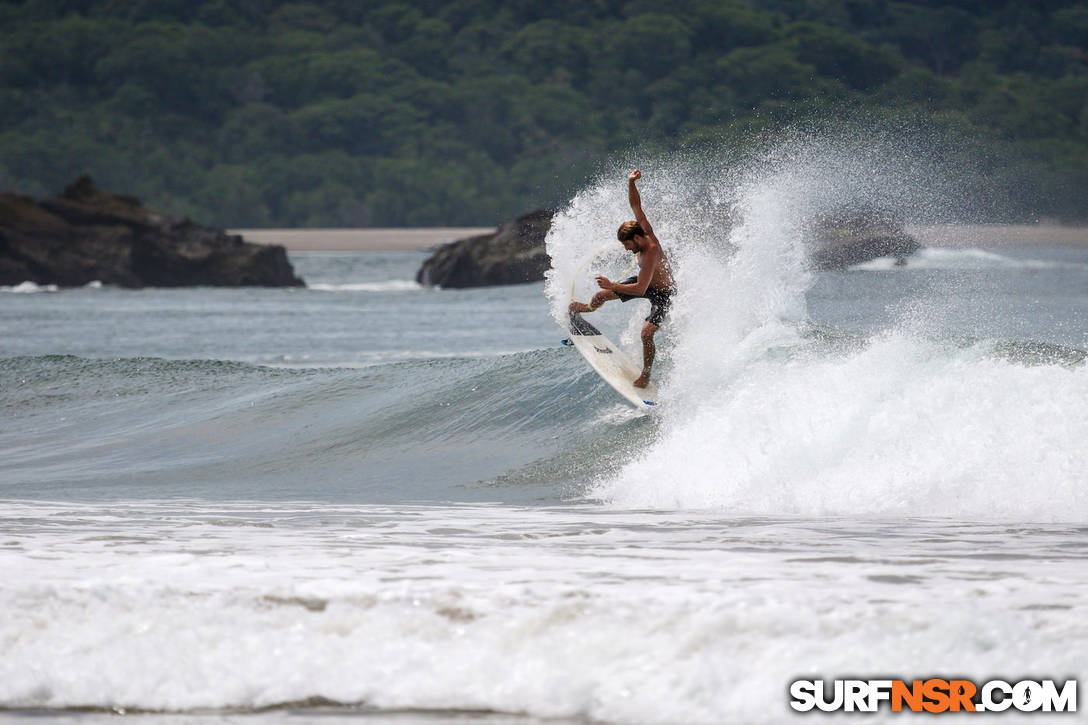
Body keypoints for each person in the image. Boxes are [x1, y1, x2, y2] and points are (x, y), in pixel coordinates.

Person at [569, 169, 677, 388]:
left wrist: (612, 285)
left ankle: (646, 376)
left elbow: (639, 289)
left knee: (646, 333)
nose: (626, 249)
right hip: (645, 282)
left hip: (664, 294)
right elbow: (636, 206)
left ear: (637, 238)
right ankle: (588, 309)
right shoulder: (643, 230)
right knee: (600, 296)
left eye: (627, 244)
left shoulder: (651, 253)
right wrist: (631, 183)